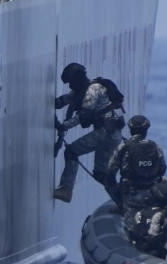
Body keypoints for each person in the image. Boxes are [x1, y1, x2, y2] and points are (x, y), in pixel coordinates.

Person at [53, 62, 125, 202]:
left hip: (104, 132)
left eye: (71, 82)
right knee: (100, 174)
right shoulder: (86, 89)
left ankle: (66, 190)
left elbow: (83, 116)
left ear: (77, 78)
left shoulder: (92, 90)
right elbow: (64, 100)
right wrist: (56, 102)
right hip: (113, 134)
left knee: (71, 152)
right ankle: (122, 200)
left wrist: (63, 126)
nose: (70, 86)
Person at [104, 114, 167, 210]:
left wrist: (119, 199)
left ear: (130, 130)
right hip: (152, 196)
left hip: (130, 196)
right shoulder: (155, 146)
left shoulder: (123, 147)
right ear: (146, 130)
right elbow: (162, 169)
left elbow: (110, 175)